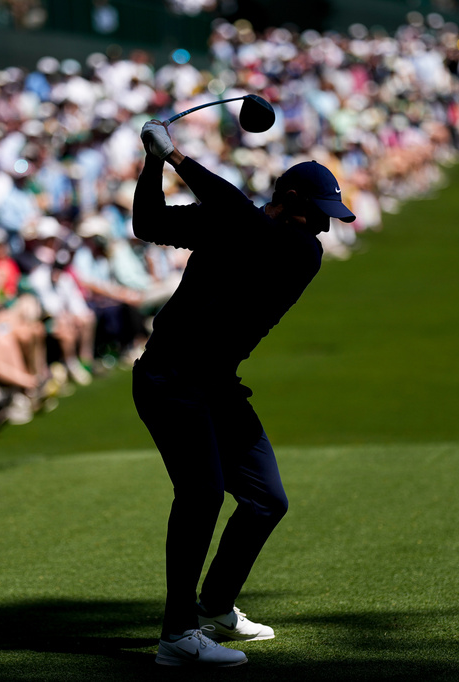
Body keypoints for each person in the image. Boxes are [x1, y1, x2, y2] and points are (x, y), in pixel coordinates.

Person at [131, 120, 355, 667]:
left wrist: (176, 156)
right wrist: (154, 163)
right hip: (169, 380)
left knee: (265, 500)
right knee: (202, 494)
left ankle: (214, 606)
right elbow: (147, 222)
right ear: (292, 198)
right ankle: (177, 635)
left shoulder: (300, 250)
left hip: (215, 385)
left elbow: (243, 221)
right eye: (319, 211)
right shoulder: (231, 222)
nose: (325, 225)